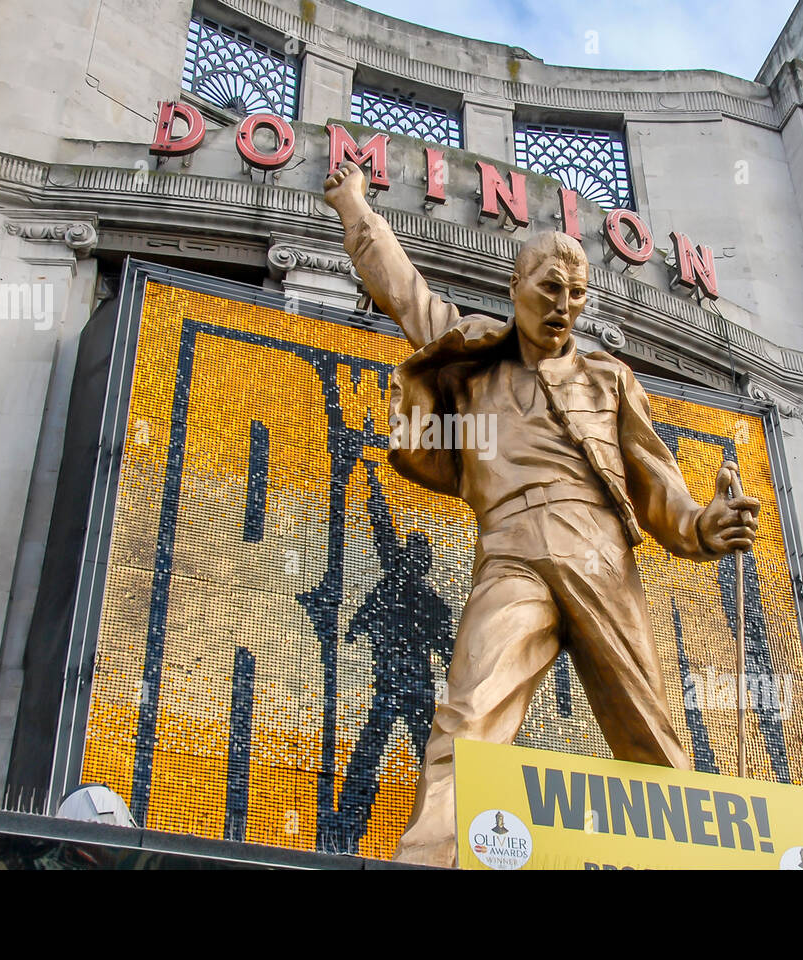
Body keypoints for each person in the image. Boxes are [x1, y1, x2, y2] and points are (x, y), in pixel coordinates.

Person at [324, 160, 761, 867]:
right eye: (550, 288)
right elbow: (404, 292)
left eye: (578, 294)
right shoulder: (474, 360)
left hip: (598, 553)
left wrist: (703, 526)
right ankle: (432, 856)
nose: (564, 305)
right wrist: (354, 208)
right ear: (515, 289)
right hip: (512, 552)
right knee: (469, 713)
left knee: (649, 737)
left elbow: (658, 489)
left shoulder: (608, 378)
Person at [336, 460, 453, 848]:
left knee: (411, 753)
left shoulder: (418, 598)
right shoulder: (398, 589)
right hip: (399, 686)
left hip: (410, 688)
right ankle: (351, 816)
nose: (410, 562)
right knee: (382, 749)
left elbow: (448, 649)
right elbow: (383, 531)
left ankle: (356, 816)